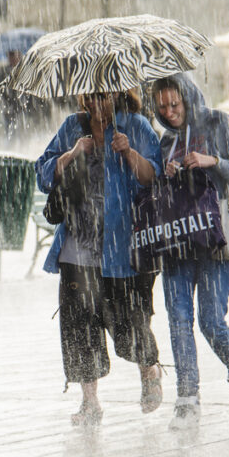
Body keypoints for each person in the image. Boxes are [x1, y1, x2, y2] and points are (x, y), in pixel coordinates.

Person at [35, 89, 164, 426]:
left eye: (103, 96)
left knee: (130, 321)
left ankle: (149, 372)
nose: (95, 103)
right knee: (79, 326)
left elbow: (156, 177)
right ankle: (90, 402)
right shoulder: (72, 127)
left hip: (122, 247)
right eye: (90, 96)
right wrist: (73, 153)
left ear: (117, 94)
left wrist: (129, 153)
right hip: (77, 245)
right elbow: (43, 174)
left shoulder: (134, 125)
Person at [150, 73, 229, 430]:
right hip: (178, 242)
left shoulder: (218, 122)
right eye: (162, 107)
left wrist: (212, 162)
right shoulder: (165, 141)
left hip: (216, 241)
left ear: (187, 97)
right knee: (179, 320)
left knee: (211, 321)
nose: (169, 112)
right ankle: (187, 399)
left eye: (174, 105)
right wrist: (167, 174)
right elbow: (161, 193)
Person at [0, 50, 50, 145]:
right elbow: (2, 90)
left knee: (28, 132)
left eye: (14, 55)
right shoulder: (4, 71)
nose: (12, 58)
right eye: (10, 55)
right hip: (11, 110)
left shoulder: (27, 70)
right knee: (11, 134)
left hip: (27, 109)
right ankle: (10, 149)